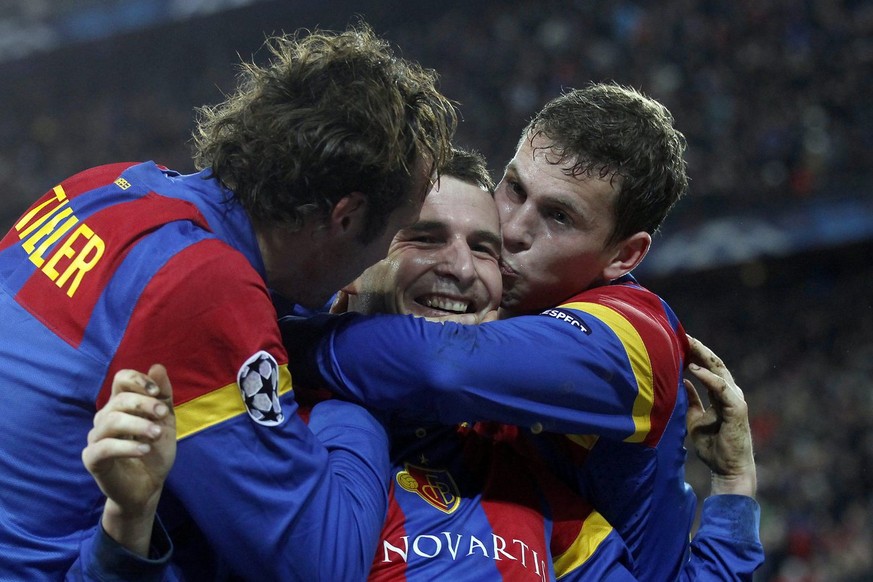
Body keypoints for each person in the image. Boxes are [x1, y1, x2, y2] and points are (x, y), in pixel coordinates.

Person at [84, 148, 762, 580]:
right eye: (425, 238)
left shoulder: (525, 484)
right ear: (351, 263)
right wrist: (126, 526)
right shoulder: (259, 440)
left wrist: (732, 490)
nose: (460, 270)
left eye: (486, 250)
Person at [0, 23, 457, 580]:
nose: (387, 254)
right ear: (347, 216)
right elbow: (319, 565)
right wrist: (362, 380)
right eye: (398, 230)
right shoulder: (204, 286)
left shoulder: (106, 185)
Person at [279, 82, 761, 580]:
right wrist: (733, 488)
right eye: (513, 188)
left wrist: (279, 340)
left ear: (624, 255)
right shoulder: (490, 322)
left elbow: (441, 366)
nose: (511, 230)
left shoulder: (634, 336)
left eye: (557, 216)